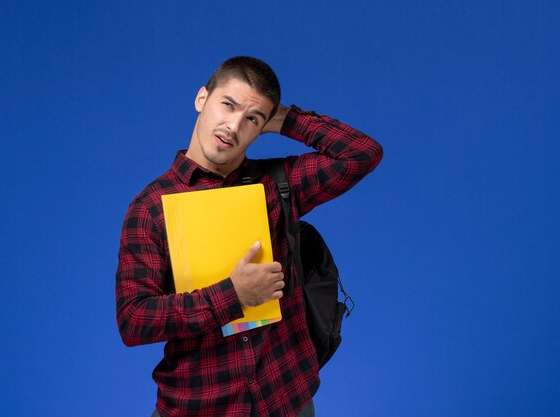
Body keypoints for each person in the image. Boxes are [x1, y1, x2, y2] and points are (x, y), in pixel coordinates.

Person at [116, 56, 383, 417]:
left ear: (263, 128)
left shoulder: (279, 184)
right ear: (202, 99)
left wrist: (287, 119)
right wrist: (234, 295)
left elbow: (361, 155)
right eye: (228, 105)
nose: (233, 126)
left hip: (286, 398)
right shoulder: (151, 208)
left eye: (252, 119)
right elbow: (134, 320)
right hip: (199, 407)